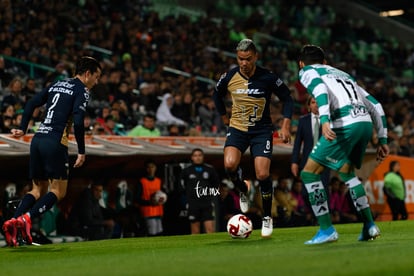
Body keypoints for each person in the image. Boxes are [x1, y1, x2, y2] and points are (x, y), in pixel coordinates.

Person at [2, 56, 102, 247]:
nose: (96, 82)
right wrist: (81, 150)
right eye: (96, 77)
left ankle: (13, 221)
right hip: (56, 142)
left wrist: (23, 128)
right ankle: (27, 218)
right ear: (87, 74)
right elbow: (79, 121)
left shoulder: (57, 84)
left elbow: (32, 103)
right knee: (58, 191)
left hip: (37, 139)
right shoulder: (82, 90)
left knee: (36, 189)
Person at [297, 45, 389, 244]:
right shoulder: (343, 74)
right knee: (347, 173)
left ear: (301, 63)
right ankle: (369, 226)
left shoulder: (307, 71)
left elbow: (320, 90)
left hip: (344, 123)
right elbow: (376, 104)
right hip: (364, 123)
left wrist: (324, 120)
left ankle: (326, 229)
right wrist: (382, 138)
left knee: (309, 173)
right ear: (325, 62)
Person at [213, 38, 293, 238]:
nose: (244, 63)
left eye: (248, 59)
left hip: (261, 131)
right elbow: (216, 94)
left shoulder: (268, 77)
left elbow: (287, 98)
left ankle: (267, 217)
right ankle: (243, 188)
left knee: (263, 175)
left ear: (255, 57)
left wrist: (285, 125)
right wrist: (223, 116)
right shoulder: (230, 76)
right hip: (238, 129)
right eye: (240, 59)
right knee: (230, 166)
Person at [180, 148, 220, 234]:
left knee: (210, 229)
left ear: (203, 157)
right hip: (193, 203)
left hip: (207, 203)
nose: (197, 157)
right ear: (192, 157)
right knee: (195, 231)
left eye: (199, 155)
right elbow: (182, 187)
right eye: (195, 155)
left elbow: (216, 185)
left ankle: (212, 247)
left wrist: (210, 196)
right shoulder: (186, 171)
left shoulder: (210, 170)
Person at [137, 160, 165, 236]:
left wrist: (163, 200)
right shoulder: (142, 182)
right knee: (151, 234)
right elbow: (137, 199)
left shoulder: (158, 181)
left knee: (159, 234)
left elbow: (162, 196)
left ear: (155, 168)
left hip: (158, 212)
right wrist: (150, 202)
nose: (150, 169)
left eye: (152, 167)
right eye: (148, 167)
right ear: (146, 169)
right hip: (147, 213)